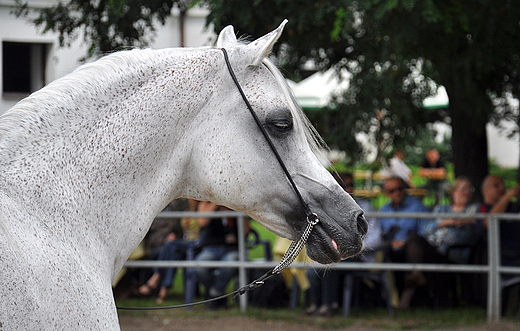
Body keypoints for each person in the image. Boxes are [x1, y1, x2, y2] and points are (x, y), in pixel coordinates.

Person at [305, 172, 383, 316]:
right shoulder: (327, 210)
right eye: (342, 186)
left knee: (332, 264)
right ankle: (317, 303)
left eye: (350, 185)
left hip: (360, 255)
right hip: (337, 254)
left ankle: (329, 305)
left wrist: (352, 249)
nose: (347, 190)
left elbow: (376, 239)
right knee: (312, 271)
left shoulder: (365, 207)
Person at [401, 177, 481, 308]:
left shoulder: (474, 209)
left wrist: (463, 220)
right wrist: (446, 222)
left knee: (418, 251)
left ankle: (414, 281)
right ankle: (417, 276)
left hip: (454, 252)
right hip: (435, 247)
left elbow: (473, 230)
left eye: (469, 189)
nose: (467, 192)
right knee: (414, 238)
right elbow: (426, 229)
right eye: (463, 188)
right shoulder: (441, 209)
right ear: (453, 191)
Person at [379, 176, 429, 308]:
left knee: (412, 247)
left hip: (413, 250)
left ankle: (406, 296)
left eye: (400, 189)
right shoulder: (384, 210)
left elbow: (426, 232)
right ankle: (390, 299)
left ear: (405, 189)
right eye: (392, 190)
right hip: (390, 250)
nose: (397, 193)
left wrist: (404, 242)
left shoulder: (418, 207)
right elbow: (380, 234)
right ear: (386, 193)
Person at [138, 199, 201, 303]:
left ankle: (156, 279)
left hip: (197, 243)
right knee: (172, 252)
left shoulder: (201, 207)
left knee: (170, 245)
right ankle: (163, 288)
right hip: (184, 242)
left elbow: (203, 223)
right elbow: (178, 228)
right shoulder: (183, 207)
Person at [193, 201, 249, 309]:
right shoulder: (206, 204)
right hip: (212, 248)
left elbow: (246, 230)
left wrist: (236, 208)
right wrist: (216, 202)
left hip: (232, 249)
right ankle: (219, 295)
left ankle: (214, 294)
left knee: (230, 262)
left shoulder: (235, 206)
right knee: (199, 266)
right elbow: (202, 221)